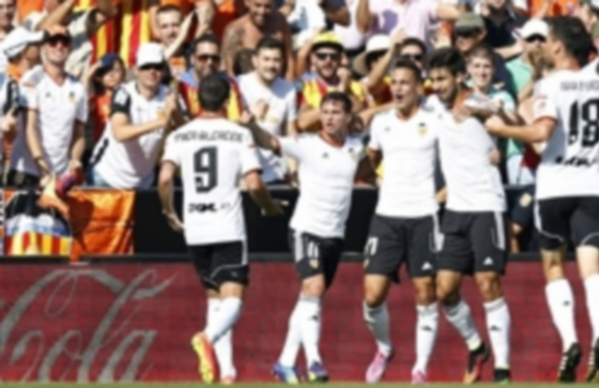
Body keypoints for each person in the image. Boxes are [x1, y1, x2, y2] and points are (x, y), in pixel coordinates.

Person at [485, 16, 599, 383]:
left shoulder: (550, 85)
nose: (544, 46)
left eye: (548, 40)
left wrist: (503, 129)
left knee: (553, 268)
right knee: (591, 269)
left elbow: (541, 131)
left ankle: (570, 343)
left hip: (554, 187)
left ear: (560, 47)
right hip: (593, 185)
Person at [158, 74, 283, 385]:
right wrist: (268, 206)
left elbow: (163, 179)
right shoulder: (237, 134)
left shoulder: (180, 135)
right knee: (234, 299)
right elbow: (254, 183)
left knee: (215, 299)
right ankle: (207, 338)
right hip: (227, 226)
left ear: (198, 100)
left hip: (196, 228)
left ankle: (226, 373)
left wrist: (169, 213)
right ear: (228, 101)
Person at [249, 92, 368, 383]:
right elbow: (271, 142)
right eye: (325, 111)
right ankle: (314, 361)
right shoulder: (308, 145)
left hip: (335, 234)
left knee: (309, 300)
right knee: (313, 289)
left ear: (348, 117)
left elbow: (373, 151)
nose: (328, 117)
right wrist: (252, 124)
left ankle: (285, 362)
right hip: (306, 228)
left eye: (335, 112)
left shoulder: (356, 147)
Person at [427, 47, 511, 383]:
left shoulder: (476, 103)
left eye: (442, 79)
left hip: (486, 206)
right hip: (456, 210)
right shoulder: (434, 107)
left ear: (458, 77)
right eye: (432, 79)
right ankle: (476, 345)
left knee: (488, 283)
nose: (436, 86)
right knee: (444, 290)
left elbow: (504, 118)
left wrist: (490, 117)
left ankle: (503, 368)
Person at [360, 60, 440, 384]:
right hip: (387, 216)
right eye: (395, 82)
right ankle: (384, 348)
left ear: (419, 87)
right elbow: (370, 160)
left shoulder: (434, 122)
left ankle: (420, 368)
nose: (398, 88)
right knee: (372, 295)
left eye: (405, 82)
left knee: (425, 291)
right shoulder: (381, 123)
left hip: (424, 215)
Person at [89, 43, 184, 189]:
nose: (152, 72)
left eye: (157, 66)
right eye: (146, 67)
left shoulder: (170, 94)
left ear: (164, 70)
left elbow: (186, 130)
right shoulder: (124, 92)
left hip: (143, 181)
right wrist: (160, 121)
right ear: (136, 70)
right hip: (107, 177)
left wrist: (175, 113)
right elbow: (120, 133)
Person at [9, 26, 86, 188]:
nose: (59, 46)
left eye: (64, 42)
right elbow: (30, 128)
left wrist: (75, 159)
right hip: (29, 171)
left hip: (60, 173)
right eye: (53, 42)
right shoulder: (32, 80)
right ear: (43, 47)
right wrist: (42, 166)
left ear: (70, 47)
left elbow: (79, 133)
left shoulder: (78, 87)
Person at [237, 37, 297, 185]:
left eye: (276, 60)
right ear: (255, 60)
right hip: (243, 173)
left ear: (283, 63)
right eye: (266, 59)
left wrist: (294, 172)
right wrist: (249, 117)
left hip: (274, 173)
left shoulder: (289, 90)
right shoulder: (239, 85)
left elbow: (290, 133)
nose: (271, 65)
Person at [177, 34, 246, 121]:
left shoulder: (230, 85)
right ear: (192, 59)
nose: (210, 62)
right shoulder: (180, 86)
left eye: (215, 58)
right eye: (203, 58)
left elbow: (235, 119)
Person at [221, 0, 294, 79]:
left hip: (278, 85)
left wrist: (289, 86)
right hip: (246, 86)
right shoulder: (235, 30)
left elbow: (289, 60)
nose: (262, 11)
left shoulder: (279, 22)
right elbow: (230, 71)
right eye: (257, 5)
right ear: (247, 3)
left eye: (267, 7)